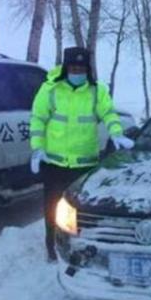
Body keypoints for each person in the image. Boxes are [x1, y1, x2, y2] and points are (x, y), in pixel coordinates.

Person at [29, 47, 134, 261]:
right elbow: (38, 119)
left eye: (82, 68)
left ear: (88, 69)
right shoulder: (50, 89)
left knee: (82, 212)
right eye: (74, 67)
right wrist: (37, 148)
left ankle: (83, 248)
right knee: (53, 209)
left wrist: (116, 133)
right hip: (55, 163)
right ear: (66, 68)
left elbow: (109, 113)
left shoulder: (97, 91)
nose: (78, 72)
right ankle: (53, 248)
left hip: (85, 164)